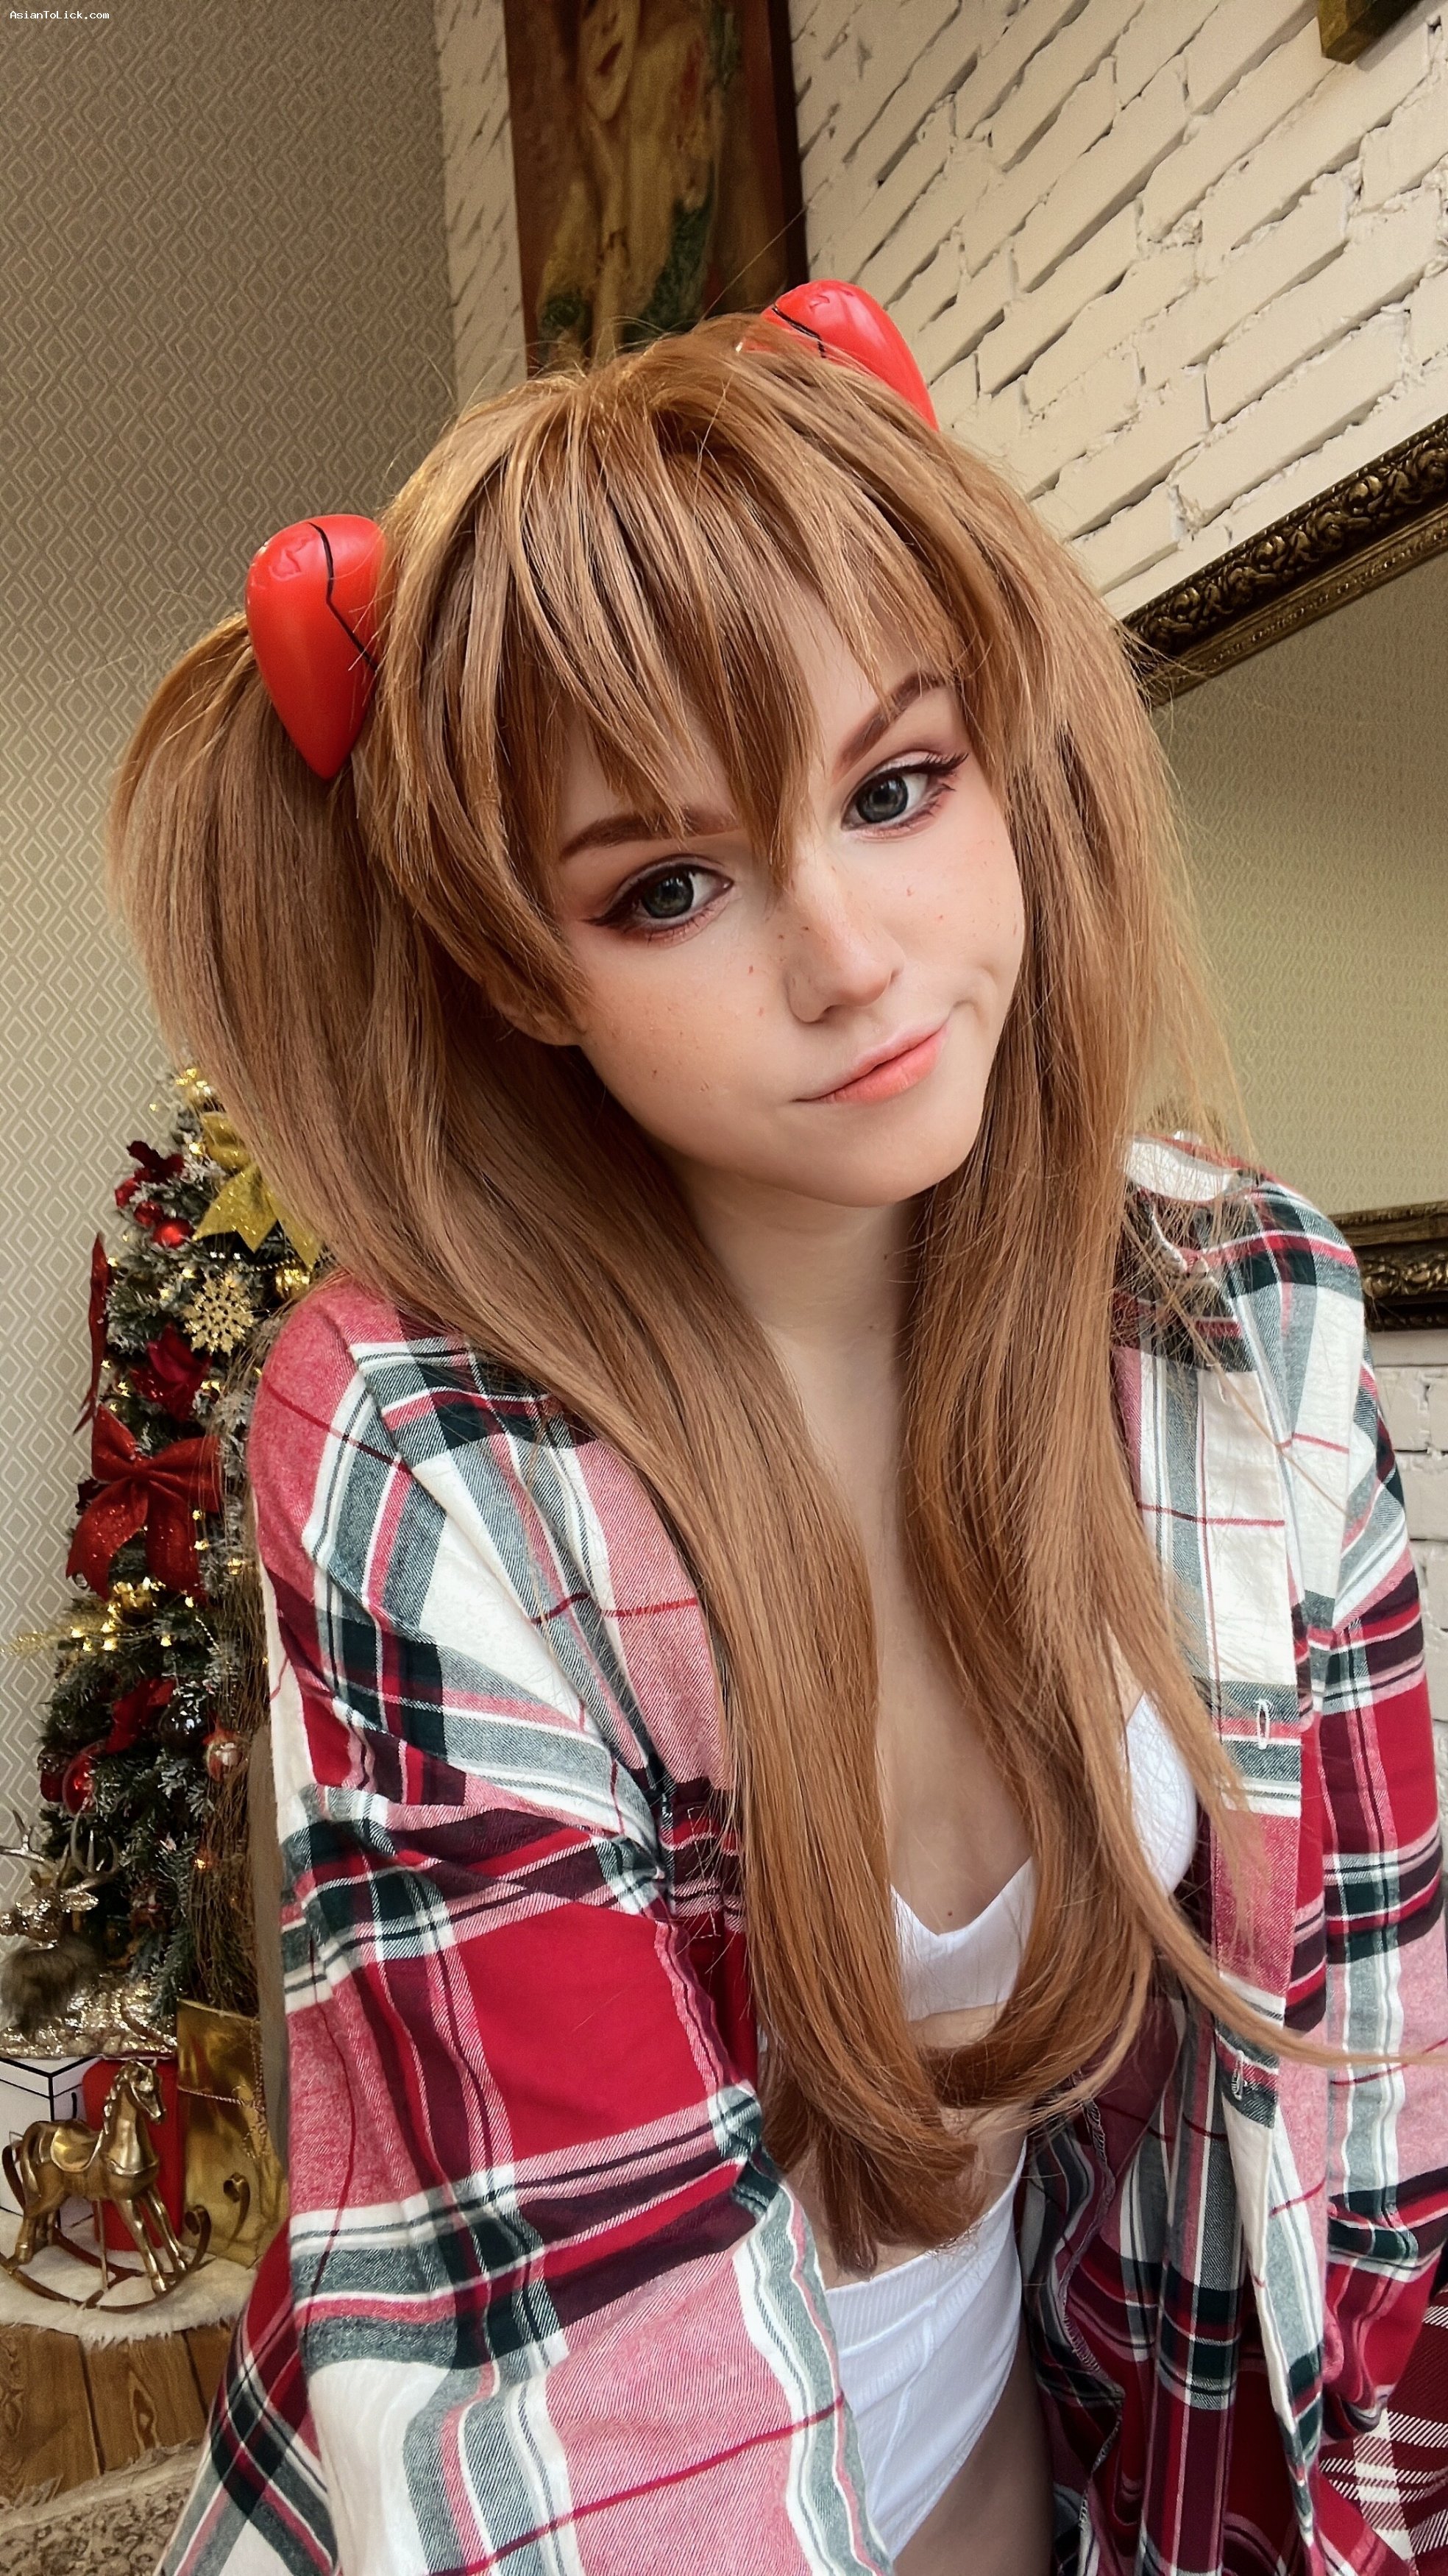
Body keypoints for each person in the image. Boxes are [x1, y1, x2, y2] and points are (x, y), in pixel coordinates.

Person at [107, 286, 1448, 2576]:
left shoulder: (1247, 1317)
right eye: (671, 887)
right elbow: (602, 2411)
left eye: (896, 786)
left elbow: (1379, 2114)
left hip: (1054, 2459)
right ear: (526, 967)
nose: (847, 953)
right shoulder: (437, 1450)